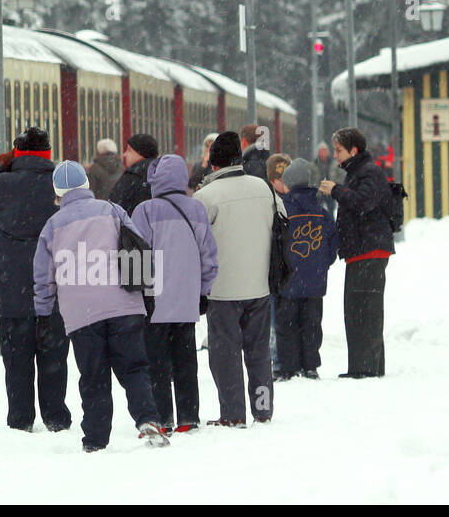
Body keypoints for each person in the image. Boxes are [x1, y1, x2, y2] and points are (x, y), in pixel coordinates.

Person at [33, 160, 169, 451]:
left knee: (93, 377)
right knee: (134, 368)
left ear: (57, 192)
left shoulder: (52, 226)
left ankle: (95, 440)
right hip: (124, 305)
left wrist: (44, 312)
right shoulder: (112, 210)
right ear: (86, 185)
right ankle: (148, 418)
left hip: (81, 315)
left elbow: (43, 276)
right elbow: (139, 248)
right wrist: (146, 292)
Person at [0, 127, 72, 432]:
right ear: (48, 153)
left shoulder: (1, 184)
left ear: (17, 154)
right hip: (54, 289)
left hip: (11, 290)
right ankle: (56, 417)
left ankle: (21, 419)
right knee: (54, 358)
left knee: (16, 361)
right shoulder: (60, 184)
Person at [194, 131, 287, 426]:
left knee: (225, 355)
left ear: (213, 163)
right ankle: (263, 408)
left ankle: (232, 414)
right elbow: (282, 219)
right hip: (259, 286)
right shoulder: (263, 187)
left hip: (222, 290)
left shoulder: (205, 197)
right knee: (258, 351)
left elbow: (193, 241)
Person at [131, 154, 218, 433]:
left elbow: (137, 255)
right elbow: (209, 257)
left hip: (154, 301)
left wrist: (139, 293)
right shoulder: (196, 209)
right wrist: (203, 292)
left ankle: (162, 417)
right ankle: (188, 416)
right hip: (186, 300)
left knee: (156, 364)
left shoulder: (145, 210)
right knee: (185, 361)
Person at [319, 127, 394, 379]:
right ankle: (368, 364)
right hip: (363, 250)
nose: (335, 155)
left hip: (368, 249)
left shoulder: (367, 172)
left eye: (339, 150)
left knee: (362, 310)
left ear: (353, 150)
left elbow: (364, 202)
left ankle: (364, 367)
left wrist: (337, 191)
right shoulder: (361, 171)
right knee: (362, 308)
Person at [276, 159, 338, 380]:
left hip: (287, 281)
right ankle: (310, 365)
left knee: (287, 326)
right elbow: (332, 246)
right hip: (314, 282)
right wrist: (320, 265)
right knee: (312, 326)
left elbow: (275, 245)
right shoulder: (321, 212)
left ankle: (289, 366)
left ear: (289, 183)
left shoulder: (283, 211)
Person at [109, 133, 159, 214]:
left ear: (142, 153)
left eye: (129, 150)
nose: (125, 154)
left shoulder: (132, 177)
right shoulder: (163, 174)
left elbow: (116, 209)